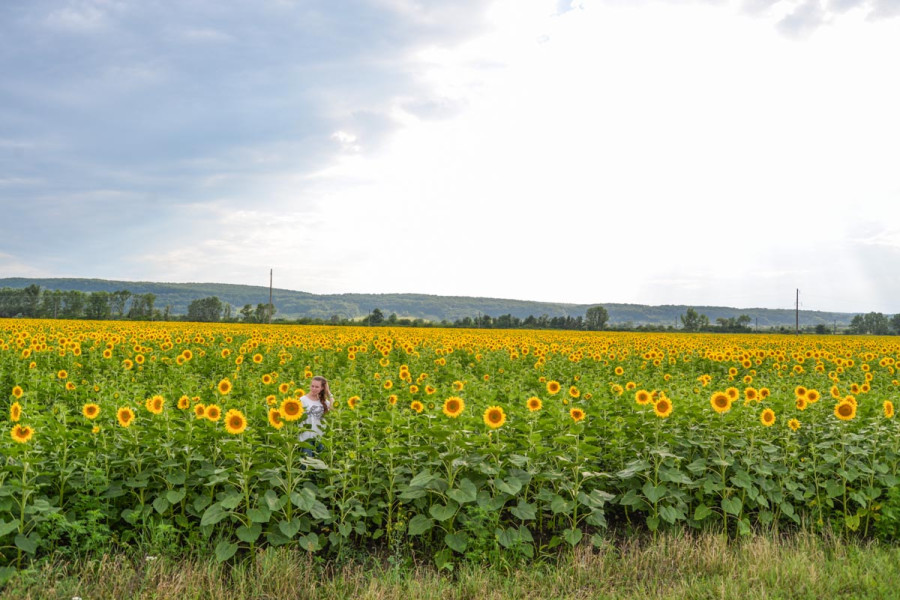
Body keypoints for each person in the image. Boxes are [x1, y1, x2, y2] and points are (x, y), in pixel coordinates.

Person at [299, 375, 333, 456]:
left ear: (322, 388)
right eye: (312, 386)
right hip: (306, 438)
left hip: (319, 437)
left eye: (317, 387)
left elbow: (333, 409)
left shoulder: (324, 402)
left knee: (318, 465)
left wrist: (329, 393)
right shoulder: (303, 400)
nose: (313, 389)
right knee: (306, 465)